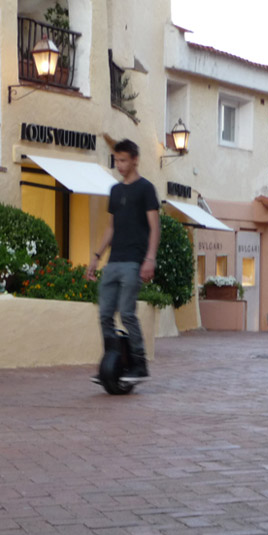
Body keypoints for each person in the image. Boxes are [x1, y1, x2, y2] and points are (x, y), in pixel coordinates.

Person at [87, 139, 160, 383]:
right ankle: (113, 363)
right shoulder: (115, 191)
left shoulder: (146, 189)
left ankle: (139, 365)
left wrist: (150, 259)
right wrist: (96, 257)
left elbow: (154, 227)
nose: (119, 165)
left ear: (135, 160)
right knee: (105, 315)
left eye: (123, 160)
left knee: (127, 313)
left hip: (134, 262)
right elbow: (111, 227)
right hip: (113, 262)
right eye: (116, 160)